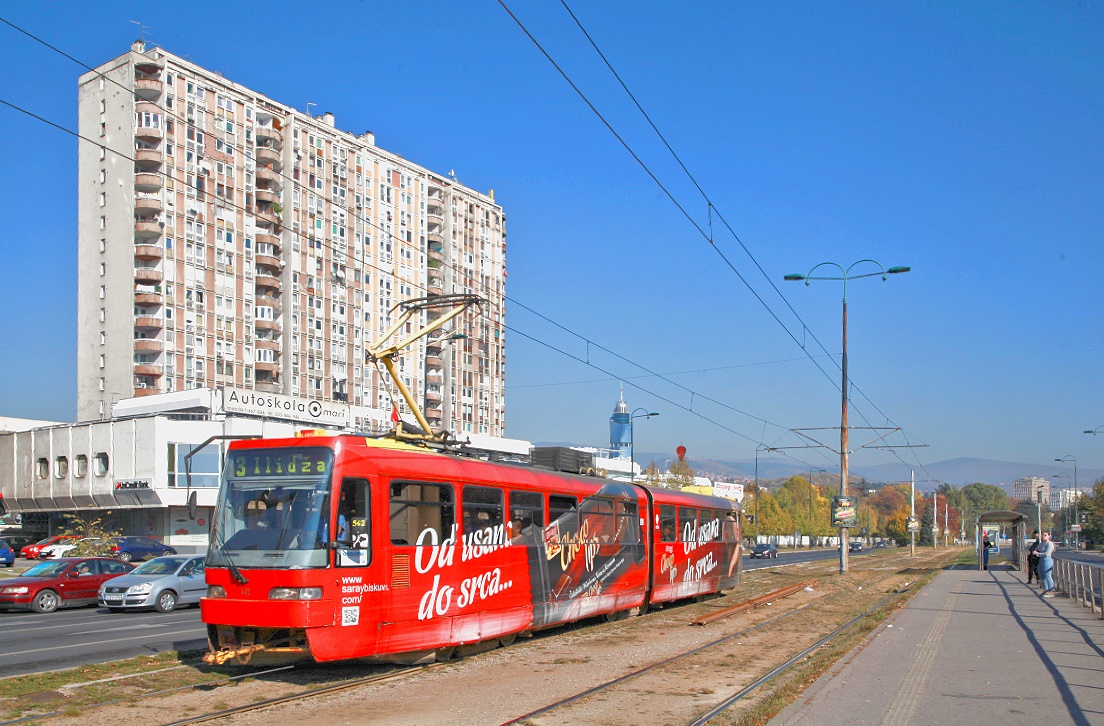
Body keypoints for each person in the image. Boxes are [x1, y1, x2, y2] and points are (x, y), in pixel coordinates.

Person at [1036, 531, 1056, 597]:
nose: (1043, 536)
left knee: (1047, 575)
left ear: (1049, 536)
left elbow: (1047, 553)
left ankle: (1051, 591)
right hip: (1041, 560)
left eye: (1045, 535)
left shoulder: (1049, 544)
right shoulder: (1042, 543)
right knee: (1042, 575)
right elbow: (1037, 549)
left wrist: (1037, 554)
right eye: (1042, 535)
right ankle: (1046, 590)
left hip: (1047, 560)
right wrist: (1037, 552)